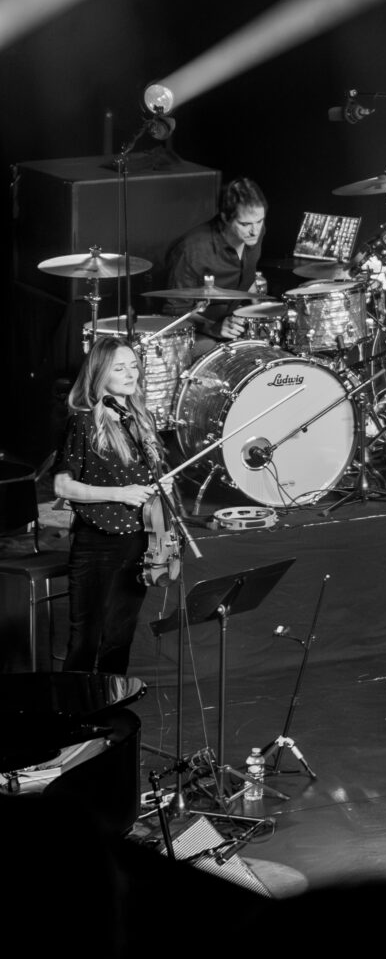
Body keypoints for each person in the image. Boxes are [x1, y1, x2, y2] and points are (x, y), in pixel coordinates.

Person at [54, 336, 168, 695]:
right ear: (100, 374)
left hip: (140, 539)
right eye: (120, 368)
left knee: (119, 637)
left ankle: (110, 708)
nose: (131, 374)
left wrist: (159, 483)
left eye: (134, 365)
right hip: (98, 542)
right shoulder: (84, 422)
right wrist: (120, 493)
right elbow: (62, 486)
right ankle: (74, 714)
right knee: (85, 640)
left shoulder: (140, 418)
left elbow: (145, 478)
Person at [165, 176, 270, 344]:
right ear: (225, 218)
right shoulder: (191, 250)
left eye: (259, 221)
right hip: (196, 332)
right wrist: (213, 327)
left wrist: (260, 307)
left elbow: (247, 274)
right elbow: (174, 311)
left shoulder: (255, 234)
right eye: (245, 224)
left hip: (234, 321)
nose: (255, 231)